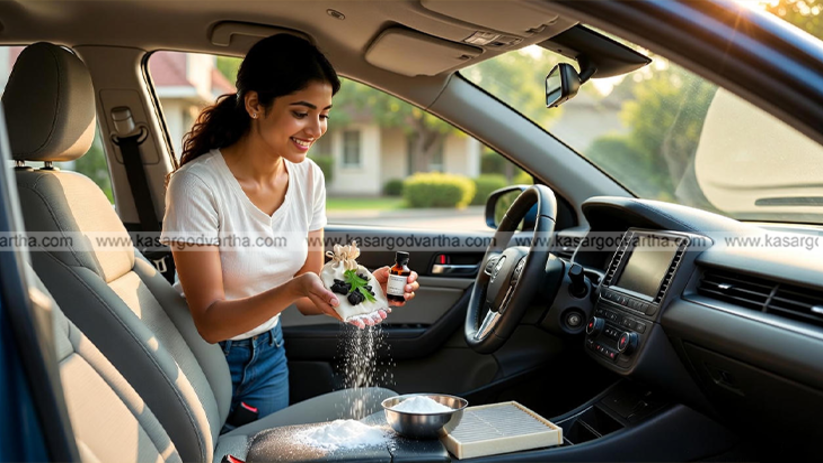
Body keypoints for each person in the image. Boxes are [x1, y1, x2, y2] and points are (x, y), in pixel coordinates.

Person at [160, 34, 419, 425]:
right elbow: (211, 322)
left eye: (325, 113)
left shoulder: (309, 177)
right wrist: (295, 288)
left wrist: (365, 291)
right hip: (201, 357)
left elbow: (307, 293)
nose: (316, 128)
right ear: (254, 104)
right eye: (302, 112)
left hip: (268, 352)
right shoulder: (197, 185)